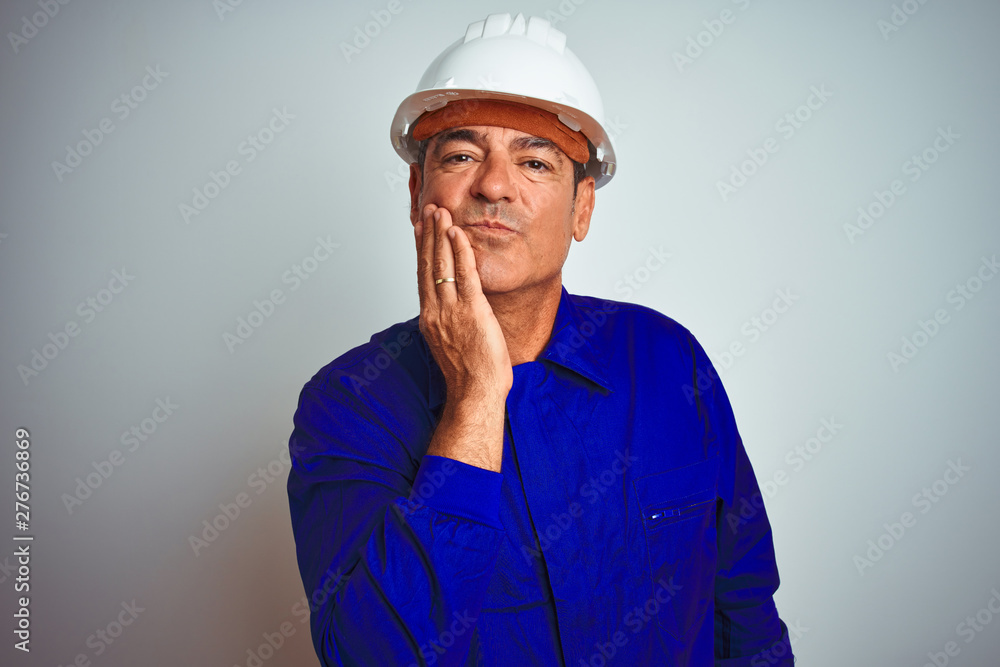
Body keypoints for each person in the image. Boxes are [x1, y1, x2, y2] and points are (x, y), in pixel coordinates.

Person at [287, 12, 794, 666]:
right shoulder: (348, 404)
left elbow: (746, 618)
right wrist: (474, 398)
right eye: (463, 154)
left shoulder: (672, 365)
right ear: (418, 193)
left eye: (534, 161)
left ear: (582, 207)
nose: (495, 185)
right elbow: (371, 657)